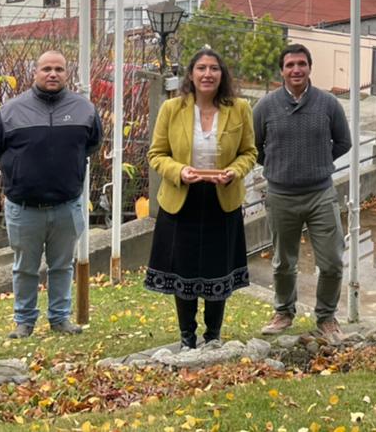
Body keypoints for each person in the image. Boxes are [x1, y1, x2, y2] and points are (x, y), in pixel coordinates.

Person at [0, 50, 102, 339]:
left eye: (59, 69)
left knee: (62, 266)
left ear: (67, 74)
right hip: (24, 208)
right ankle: (24, 322)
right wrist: (21, 170)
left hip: (67, 205)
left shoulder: (84, 109)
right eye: (47, 69)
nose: (53, 74)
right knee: (25, 268)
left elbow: (92, 145)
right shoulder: (10, 110)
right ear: (35, 72)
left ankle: (60, 319)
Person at [144, 48, 257, 348]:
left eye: (214, 69)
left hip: (223, 198)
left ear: (223, 75)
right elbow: (156, 154)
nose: (208, 74)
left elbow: (250, 152)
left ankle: (213, 336)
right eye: (202, 68)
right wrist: (179, 171)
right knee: (184, 267)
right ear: (191, 74)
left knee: (217, 267)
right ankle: (186, 337)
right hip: (182, 199)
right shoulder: (172, 109)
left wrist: (234, 171)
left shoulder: (240, 108)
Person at [253, 44, 352, 341]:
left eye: (301, 64)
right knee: (284, 261)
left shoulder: (329, 104)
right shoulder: (265, 107)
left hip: (320, 193)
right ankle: (283, 312)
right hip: (281, 195)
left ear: (310, 68)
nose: (296, 70)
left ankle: (326, 317)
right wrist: (279, 166)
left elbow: (343, 143)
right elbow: (254, 148)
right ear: (281, 71)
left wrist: (318, 162)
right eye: (290, 65)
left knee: (332, 261)